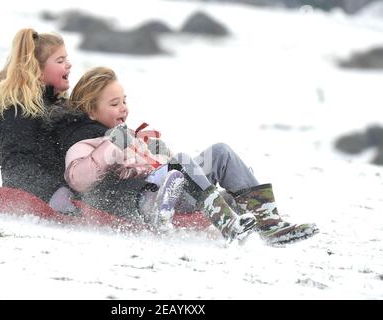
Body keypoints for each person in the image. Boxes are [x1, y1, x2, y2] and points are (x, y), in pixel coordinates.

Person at [58, 66, 319, 245]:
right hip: (149, 199)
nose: (123, 108)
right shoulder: (84, 142)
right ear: (91, 111)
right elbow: (78, 180)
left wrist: (156, 150)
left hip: (174, 187)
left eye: (124, 100)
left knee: (220, 152)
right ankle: (226, 222)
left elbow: (165, 164)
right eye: (114, 104)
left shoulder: (131, 135)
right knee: (181, 161)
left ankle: (270, 224)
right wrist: (112, 147)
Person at [0, 28, 73, 210]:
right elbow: (17, 166)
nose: (68, 65)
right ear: (37, 71)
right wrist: (56, 193)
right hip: (41, 196)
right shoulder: (17, 111)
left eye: (67, 59)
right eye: (60, 61)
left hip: (68, 187)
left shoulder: (61, 107)